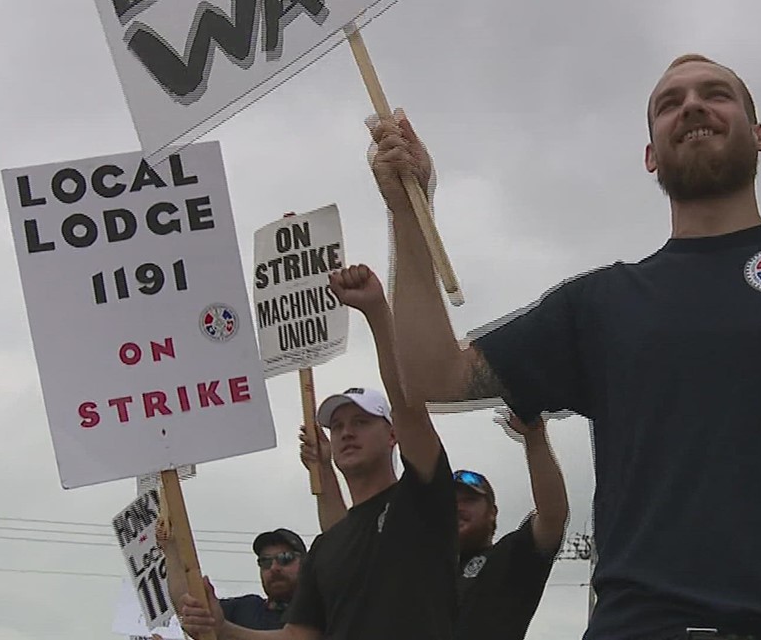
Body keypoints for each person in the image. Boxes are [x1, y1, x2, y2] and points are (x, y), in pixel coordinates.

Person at [368, 54, 761, 640]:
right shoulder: (598, 304)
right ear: (651, 154)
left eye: (715, 93)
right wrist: (405, 207)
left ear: (759, 134)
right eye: (669, 103)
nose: (692, 106)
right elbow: (432, 374)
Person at [177, 264, 459, 640]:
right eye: (338, 425)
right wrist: (223, 628)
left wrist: (377, 313)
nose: (346, 433)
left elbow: (408, 404)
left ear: (392, 436)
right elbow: (298, 636)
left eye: (361, 422)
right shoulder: (327, 548)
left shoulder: (421, 497)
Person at [300, 408, 568, 640]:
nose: (457, 507)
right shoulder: (412, 561)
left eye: (469, 500)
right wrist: (324, 468)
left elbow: (553, 517)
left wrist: (534, 438)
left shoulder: (509, 558)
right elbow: (343, 542)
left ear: (492, 513)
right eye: (450, 501)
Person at [156, 521, 305, 631]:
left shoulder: (321, 613)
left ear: (307, 564)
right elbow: (188, 606)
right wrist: (171, 549)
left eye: (285, 558)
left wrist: (225, 630)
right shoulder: (246, 608)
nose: (274, 568)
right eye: (265, 561)